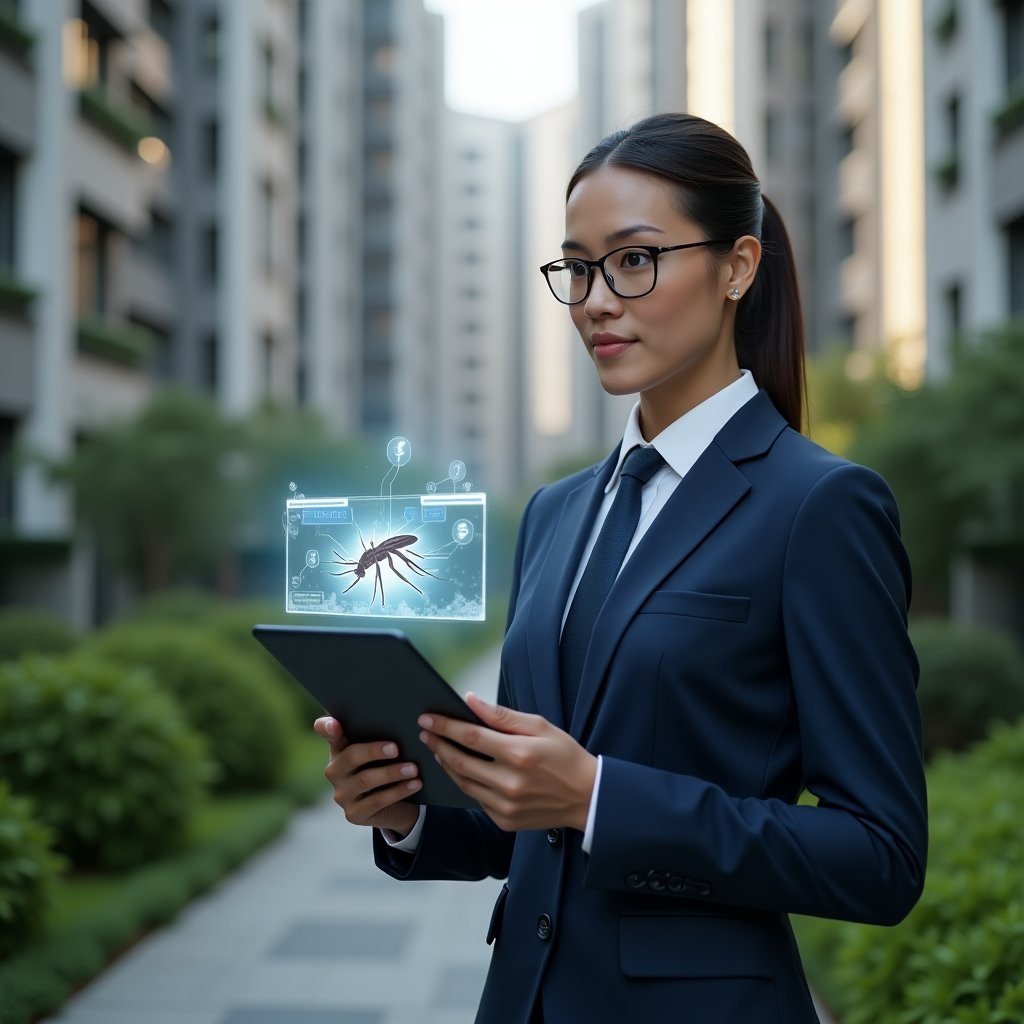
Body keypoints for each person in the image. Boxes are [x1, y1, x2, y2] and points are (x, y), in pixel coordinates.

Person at [315, 112, 927, 1024]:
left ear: (737, 267)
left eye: (634, 259)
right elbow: (532, 825)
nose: (597, 300)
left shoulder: (821, 507)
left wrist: (600, 797)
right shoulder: (555, 512)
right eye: (578, 267)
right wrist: (406, 811)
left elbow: (879, 857)